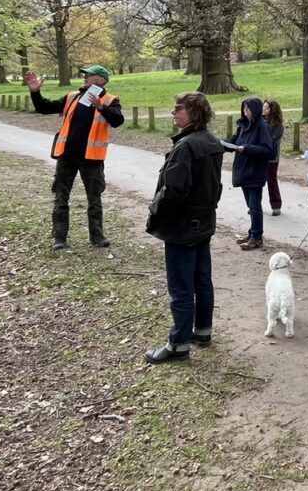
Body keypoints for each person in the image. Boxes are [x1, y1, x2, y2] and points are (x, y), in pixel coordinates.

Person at [144, 92, 224, 364]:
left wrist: (155, 208)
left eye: (179, 108)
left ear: (195, 113)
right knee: (202, 281)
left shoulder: (187, 146)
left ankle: (178, 344)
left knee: (181, 287)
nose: (173, 112)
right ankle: (202, 330)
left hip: (182, 227)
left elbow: (174, 190)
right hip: (203, 223)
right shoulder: (211, 141)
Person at [26, 66, 124, 250]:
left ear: (101, 81)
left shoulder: (110, 100)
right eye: (84, 74)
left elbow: (118, 121)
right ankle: (59, 238)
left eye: (89, 75)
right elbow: (44, 108)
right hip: (67, 156)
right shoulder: (73, 97)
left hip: (92, 158)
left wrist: (101, 107)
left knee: (94, 198)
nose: (84, 77)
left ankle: (97, 237)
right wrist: (35, 92)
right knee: (61, 196)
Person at [225, 97, 272, 250]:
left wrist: (246, 149)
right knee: (250, 206)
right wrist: (222, 144)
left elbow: (267, 150)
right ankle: (252, 232)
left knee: (254, 206)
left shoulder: (262, 126)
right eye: (244, 109)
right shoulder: (243, 125)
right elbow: (234, 141)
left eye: (248, 109)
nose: (245, 112)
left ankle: (257, 236)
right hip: (243, 170)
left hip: (255, 171)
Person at [262, 99, 285, 217]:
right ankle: (255, 204)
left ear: (272, 110)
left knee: (271, 180)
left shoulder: (277, 124)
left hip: (271, 157)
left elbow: (274, 140)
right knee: (257, 180)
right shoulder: (260, 122)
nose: (263, 110)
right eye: (263, 107)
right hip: (260, 155)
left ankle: (276, 205)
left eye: (266, 108)